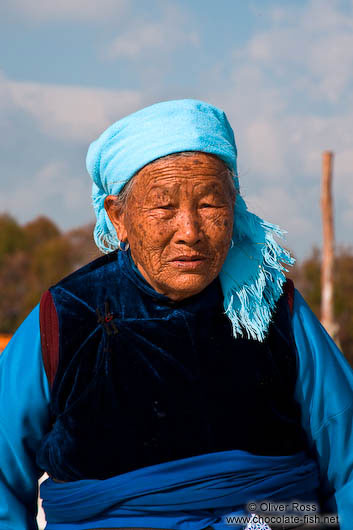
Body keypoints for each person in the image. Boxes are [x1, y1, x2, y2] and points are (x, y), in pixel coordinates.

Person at [0, 99, 352, 530]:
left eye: (209, 205)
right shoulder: (67, 315)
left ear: (234, 204)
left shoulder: (274, 306)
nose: (190, 231)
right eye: (164, 207)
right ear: (118, 216)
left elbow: (347, 458)